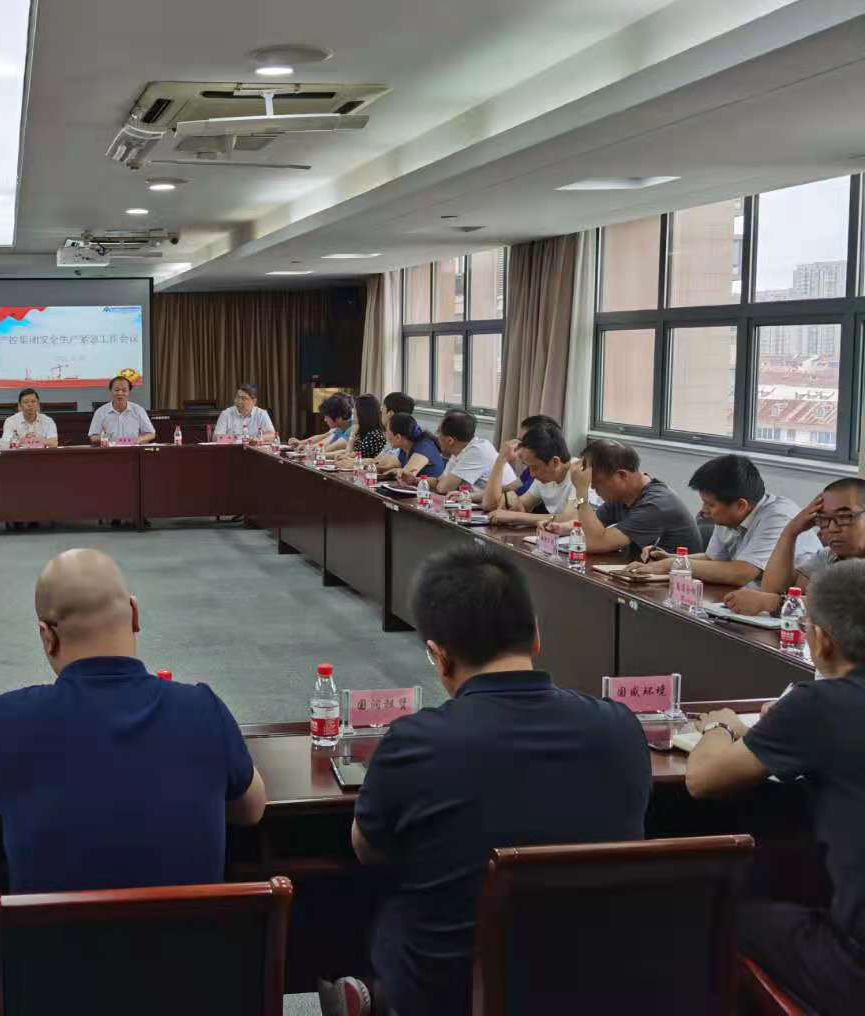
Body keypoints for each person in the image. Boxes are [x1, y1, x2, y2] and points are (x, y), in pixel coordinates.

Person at [322, 544, 650, 1016]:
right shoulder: (620, 727)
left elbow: (368, 848)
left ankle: (370, 994)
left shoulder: (416, 741)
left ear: (438, 657)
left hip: (452, 993)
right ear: (536, 637)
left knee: (356, 895)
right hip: (598, 980)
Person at [0, 548, 266, 892]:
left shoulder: (6, 720)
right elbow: (252, 810)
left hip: (52, 931)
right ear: (135, 614)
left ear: (47, 636)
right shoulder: (203, 709)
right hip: (192, 930)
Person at [685, 560, 865, 1016]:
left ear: (821, 639)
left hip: (854, 969)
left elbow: (702, 780)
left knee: (725, 914)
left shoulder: (820, 705)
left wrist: (720, 728)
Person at [625, 455, 820, 586]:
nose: (704, 510)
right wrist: (670, 558)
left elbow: (741, 573)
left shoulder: (778, 516)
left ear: (740, 505)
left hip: (795, 603)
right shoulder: (729, 516)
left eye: (710, 504)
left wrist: (671, 565)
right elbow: (713, 559)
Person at [724, 476, 865, 616]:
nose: (832, 528)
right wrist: (790, 532)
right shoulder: (829, 556)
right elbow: (774, 591)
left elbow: (851, 607)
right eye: (823, 519)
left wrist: (773, 602)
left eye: (844, 517)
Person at [540, 439, 701, 556]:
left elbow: (594, 543)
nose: (593, 488)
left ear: (622, 476)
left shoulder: (655, 504)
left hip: (673, 584)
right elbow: (593, 525)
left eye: (596, 483)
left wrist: (581, 491)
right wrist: (562, 528)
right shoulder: (623, 495)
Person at [482, 423, 600, 527]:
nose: (531, 474)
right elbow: (515, 506)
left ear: (555, 462)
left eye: (535, 467)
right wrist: (510, 499)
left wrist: (515, 516)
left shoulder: (579, 473)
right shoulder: (544, 477)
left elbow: (569, 518)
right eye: (529, 467)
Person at [434, 408, 513, 495]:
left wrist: (444, 483)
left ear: (450, 440)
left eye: (438, 432)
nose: (436, 435)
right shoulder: (459, 449)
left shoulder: (477, 450)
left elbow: (443, 488)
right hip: (479, 498)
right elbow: (440, 481)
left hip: (504, 499)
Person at [87, 376, 156, 445]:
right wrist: (106, 438)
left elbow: (151, 434)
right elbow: (93, 437)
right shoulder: (100, 412)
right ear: (111, 391)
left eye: (124, 390)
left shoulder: (138, 410)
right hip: (110, 450)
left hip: (133, 449)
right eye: (117, 390)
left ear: (129, 392)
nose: (120, 393)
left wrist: (139, 439)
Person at [384, 412, 445, 478]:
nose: (385, 434)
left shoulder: (424, 448)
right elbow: (394, 466)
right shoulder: (404, 449)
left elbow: (405, 475)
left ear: (398, 437)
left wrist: (394, 471)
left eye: (387, 431)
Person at [341, 394, 389, 461]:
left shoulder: (374, 436)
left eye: (355, 408)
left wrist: (352, 435)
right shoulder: (365, 432)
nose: (353, 411)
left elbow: (348, 459)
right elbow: (349, 455)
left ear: (363, 413)